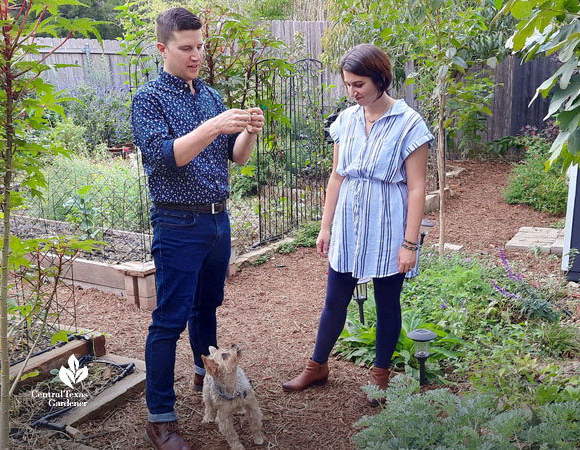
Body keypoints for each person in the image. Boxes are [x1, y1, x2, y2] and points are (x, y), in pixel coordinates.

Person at [130, 7, 264, 450]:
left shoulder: (209, 95)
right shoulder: (149, 99)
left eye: (200, 46)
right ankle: (160, 418)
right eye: (186, 48)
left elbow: (236, 156)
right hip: (177, 220)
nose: (196, 55)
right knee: (168, 320)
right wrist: (214, 125)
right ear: (162, 48)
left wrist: (249, 130)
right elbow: (168, 156)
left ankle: (206, 374)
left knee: (206, 308)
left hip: (216, 219)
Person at [282, 43, 433, 406]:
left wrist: (409, 244)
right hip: (349, 223)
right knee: (335, 298)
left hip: (388, 223)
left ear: (381, 79)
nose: (353, 91)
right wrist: (325, 227)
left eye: (359, 84)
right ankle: (317, 365)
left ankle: (380, 374)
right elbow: (336, 177)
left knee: (387, 300)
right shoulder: (346, 120)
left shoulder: (409, 123)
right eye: (348, 84)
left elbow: (416, 188)